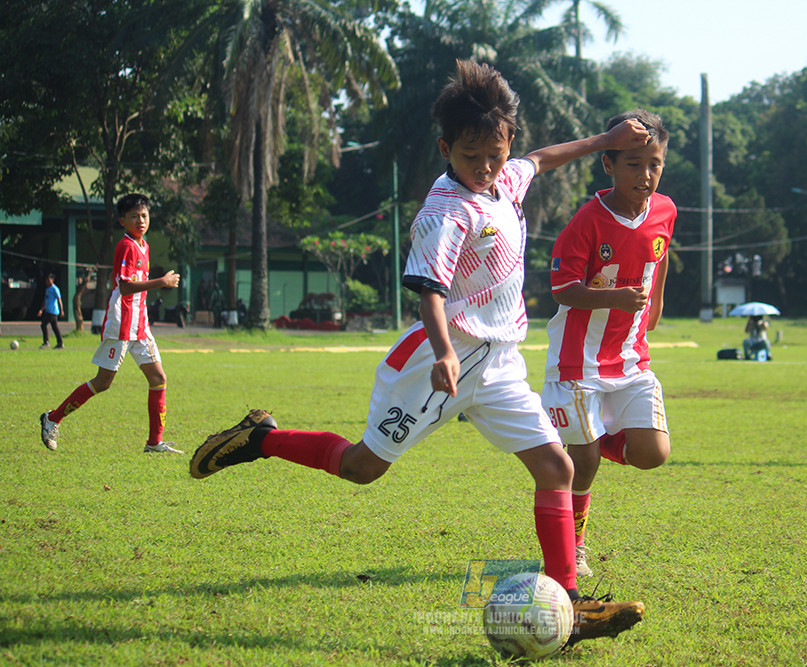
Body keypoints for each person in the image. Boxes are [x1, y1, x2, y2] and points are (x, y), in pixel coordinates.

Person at [189, 60, 648, 645]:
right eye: (470, 156)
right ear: (445, 149)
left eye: (495, 153)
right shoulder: (444, 213)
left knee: (555, 467)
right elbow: (429, 290)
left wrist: (606, 141)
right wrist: (443, 353)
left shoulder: (505, 179)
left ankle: (572, 608)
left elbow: (544, 158)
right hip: (438, 363)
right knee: (362, 469)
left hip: (501, 362)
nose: (484, 168)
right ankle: (260, 438)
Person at [540, 109, 675, 579]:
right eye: (634, 164)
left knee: (653, 454)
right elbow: (561, 289)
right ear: (609, 166)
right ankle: (576, 545)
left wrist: (653, 306)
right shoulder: (587, 221)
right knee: (585, 461)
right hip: (576, 362)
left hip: (631, 358)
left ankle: (594, 435)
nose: (646, 175)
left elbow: (658, 262)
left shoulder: (665, 210)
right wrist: (615, 296)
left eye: (654, 163)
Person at [39, 193, 183, 454]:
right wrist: (161, 282)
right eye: (134, 217)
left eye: (144, 215)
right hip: (121, 324)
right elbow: (125, 287)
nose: (140, 220)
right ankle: (52, 418)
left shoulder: (144, 246)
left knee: (158, 377)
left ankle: (154, 443)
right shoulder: (125, 246)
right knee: (103, 382)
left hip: (140, 325)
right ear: (122, 221)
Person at [37, 273, 64, 349]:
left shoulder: (55, 289)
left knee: (43, 325)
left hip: (53, 311)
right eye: (46, 280)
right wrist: (41, 310)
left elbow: (59, 300)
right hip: (48, 311)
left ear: (52, 280)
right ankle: (60, 343)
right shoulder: (47, 289)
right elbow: (45, 300)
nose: (47, 282)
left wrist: (61, 310)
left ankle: (46, 342)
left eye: (48, 280)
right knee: (55, 327)